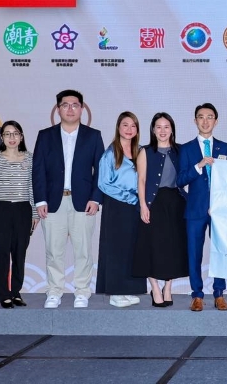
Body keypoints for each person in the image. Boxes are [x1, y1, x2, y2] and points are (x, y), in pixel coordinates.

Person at [33, 90, 105, 309]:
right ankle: (54, 291)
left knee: (83, 250)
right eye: (65, 105)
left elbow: (100, 170)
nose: (70, 109)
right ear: (58, 109)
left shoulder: (93, 136)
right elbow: (38, 170)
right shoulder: (45, 136)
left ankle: (82, 291)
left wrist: (96, 199)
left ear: (82, 109)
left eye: (75, 105)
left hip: (83, 203)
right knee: (54, 251)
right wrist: (40, 201)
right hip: (52, 203)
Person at [177, 103, 227, 312]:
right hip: (195, 209)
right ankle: (197, 295)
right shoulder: (186, 148)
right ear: (195, 121)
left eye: (210, 117)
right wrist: (198, 166)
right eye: (201, 117)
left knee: (220, 252)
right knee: (194, 253)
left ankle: (219, 294)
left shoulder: (224, 147)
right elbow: (180, 180)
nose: (205, 121)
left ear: (216, 121)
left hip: (219, 210)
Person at [134, 113, 189, 307]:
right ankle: (155, 287)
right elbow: (141, 180)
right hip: (153, 203)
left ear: (172, 129)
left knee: (172, 247)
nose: (163, 130)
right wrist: (143, 205)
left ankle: (168, 287)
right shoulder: (145, 151)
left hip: (176, 202)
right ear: (153, 130)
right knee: (152, 246)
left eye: (166, 126)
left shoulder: (181, 150)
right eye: (158, 127)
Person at [96, 112, 146, 308]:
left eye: (133, 126)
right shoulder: (110, 153)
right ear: (118, 127)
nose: (129, 129)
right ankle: (115, 292)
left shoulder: (140, 151)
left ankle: (130, 289)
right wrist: (130, 198)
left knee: (133, 247)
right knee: (116, 248)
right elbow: (103, 183)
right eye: (125, 125)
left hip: (136, 206)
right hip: (117, 206)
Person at [0, 120, 37, 308]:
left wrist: (35, 214)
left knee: (19, 253)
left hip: (23, 210)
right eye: (7, 134)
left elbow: (33, 187)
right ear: (2, 138)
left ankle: (16, 292)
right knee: (1, 254)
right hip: (2, 209)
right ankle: (4, 294)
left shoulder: (30, 158)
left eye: (15, 133)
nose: (12, 137)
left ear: (21, 137)